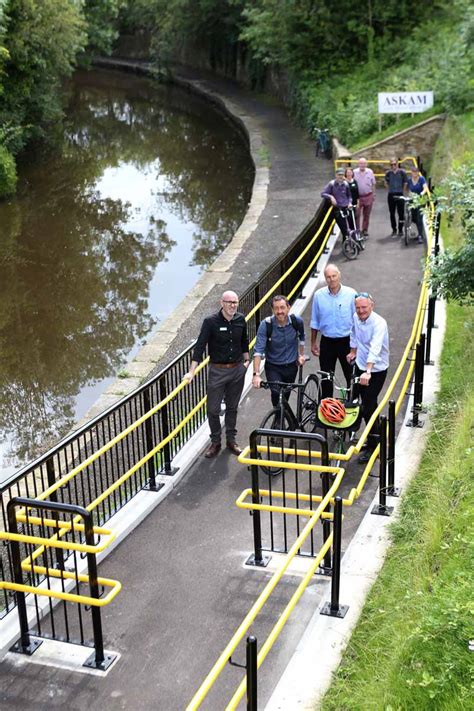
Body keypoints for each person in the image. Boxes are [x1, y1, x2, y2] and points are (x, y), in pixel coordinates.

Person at [184, 290, 250, 458]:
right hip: (217, 370)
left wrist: (246, 362)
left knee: (232, 407)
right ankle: (215, 441)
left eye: (235, 302)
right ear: (222, 303)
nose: (233, 305)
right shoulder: (210, 322)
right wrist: (191, 372)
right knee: (213, 409)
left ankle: (231, 440)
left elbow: (244, 341)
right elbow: (199, 347)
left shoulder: (240, 319)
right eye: (229, 302)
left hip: (236, 370)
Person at [347, 293, 389, 463]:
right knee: (357, 401)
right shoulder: (356, 318)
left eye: (364, 307)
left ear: (372, 305)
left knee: (368, 406)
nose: (361, 311)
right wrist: (353, 352)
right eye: (358, 308)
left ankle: (374, 446)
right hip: (360, 364)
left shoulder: (379, 323)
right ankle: (375, 436)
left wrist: (368, 371)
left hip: (376, 369)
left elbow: (375, 347)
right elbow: (354, 335)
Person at [310, 264, 357, 398]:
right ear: (325, 279)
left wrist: (356, 346)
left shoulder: (351, 294)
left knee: (351, 376)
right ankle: (327, 409)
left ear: (339, 275)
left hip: (346, 341)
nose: (331, 279)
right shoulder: (319, 296)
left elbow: (356, 322)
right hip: (327, 342)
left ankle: (352, 405)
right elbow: (315, 321)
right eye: (328, 277)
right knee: (326, 378)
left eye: (334, 276)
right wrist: (313, 343)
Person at [252, 295, 305, 406]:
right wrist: (256, 374)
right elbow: (258, 351)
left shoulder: (297, 322)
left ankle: (284, 418)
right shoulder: (266, 325)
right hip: (273, 367)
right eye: (276, 308)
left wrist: (301, 355)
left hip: (291, 367)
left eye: (282, 307)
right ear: (272, 310)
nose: (279, 311)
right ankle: (278, 421)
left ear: (288, 307)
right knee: (276, 395)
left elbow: (302, 338)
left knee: (285, 396)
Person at [321, 167, 353, 239]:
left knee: (350, 227)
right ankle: (346, 244)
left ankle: (347, 243)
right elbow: (323, 193)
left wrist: (350, 203)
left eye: (342, 175)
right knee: (344, 229)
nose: (340, 176)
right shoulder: (331, 184)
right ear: (336, 175)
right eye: (339, 175)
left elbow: (349, 196)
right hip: (338, 209)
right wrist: (331, 197)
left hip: (346, 208)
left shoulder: (346, 184)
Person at [384, 158, 407, 236]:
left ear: (397, 164)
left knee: (401, 213)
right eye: (391, 164)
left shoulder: (402, 172)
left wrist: (402, 191)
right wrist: (389, 190)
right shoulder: (388, 173)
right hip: (391, 195)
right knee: (392, 213)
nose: (393, 166)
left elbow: (405, 182)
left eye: (395, 164)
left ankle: (400, 229)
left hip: (400, 194)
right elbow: (386, 182)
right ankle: (394, 229)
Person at [353, 157, 376, 237]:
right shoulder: (354, 172)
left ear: (366, 164)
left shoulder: (370, 172)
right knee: (357, 214)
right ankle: (357, 230)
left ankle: (365, 230)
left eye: (364, 163)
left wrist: (374, 194)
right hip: (358, 197)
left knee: (367, 214)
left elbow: (373, 184)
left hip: (368, 195)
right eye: (361, 163)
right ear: (358, 164)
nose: (362, 165)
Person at [406, 165, 429, 244]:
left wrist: (422, 193)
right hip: (412, 201)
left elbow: (425, 188)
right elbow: (407, 189)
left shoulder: (421, 179)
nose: (414, 174)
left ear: (418, 173)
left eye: (416, 172)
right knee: (414, 218)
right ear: (411, 172)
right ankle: (419, 232)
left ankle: (420, 236)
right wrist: (408, 195)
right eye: (413, 172)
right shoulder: (409, 180)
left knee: (419, 218)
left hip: (420, 200)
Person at [344, 166, 359, 231]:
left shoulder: (354, 181)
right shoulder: (344, 182)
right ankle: (350, 233)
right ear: (346, 174)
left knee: (355, 218)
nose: (349, 174)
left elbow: (357, 192)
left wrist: (358, 202)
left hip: (354, 203)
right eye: (348, 172)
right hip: (347, 204)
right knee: (349, 218)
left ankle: (355, 232)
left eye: (350, 172)